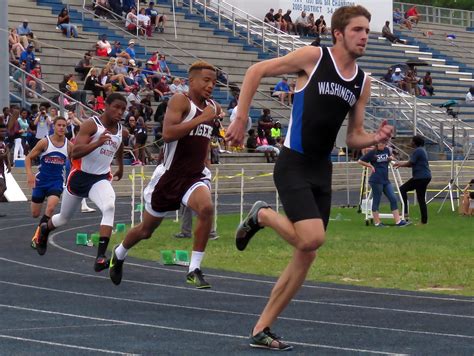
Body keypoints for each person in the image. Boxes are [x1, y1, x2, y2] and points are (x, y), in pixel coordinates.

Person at [225, 5, 393, 351]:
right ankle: (263, 215)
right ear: (339, 33)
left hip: (322, 169)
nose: (365, 36)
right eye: (358, 30)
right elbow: (257, 70)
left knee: (307, 252)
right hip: (293, 163)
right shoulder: (313, 57)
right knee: (312, 238)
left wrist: (375, 138)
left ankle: (262, 328)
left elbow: (353, 136)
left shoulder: (363, 82)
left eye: (367, 30)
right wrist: (241, 117)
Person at [108, 60, 222, 289]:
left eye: (214, 82)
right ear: (191, 81)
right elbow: (168, 134)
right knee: (146, 230)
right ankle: (119, 253)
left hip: (195, 176)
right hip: (170, 176)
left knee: (207, 208)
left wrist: (206, 155)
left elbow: (203, 137)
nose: (211, 86)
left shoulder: (213, 106)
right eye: (206, 80)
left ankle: (194, 268)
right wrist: (202, 117)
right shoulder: (181, 100)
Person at [36, 93, 128, 273]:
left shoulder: (121, 130)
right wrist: (97, 143)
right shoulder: (92, 125)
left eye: (123, 109)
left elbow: (120, 145)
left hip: (100, 178)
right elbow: (75, 153)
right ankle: (45, 229)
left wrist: (121, 166)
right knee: (63, 218)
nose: (120, 112)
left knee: (109, 207)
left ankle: (101, 257)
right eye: (116, 107)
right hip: (79, 177)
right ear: (106, 106)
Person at [26, 117, 71, 249]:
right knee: (35, 214)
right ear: (54, 127)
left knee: (50, 209)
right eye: (59, 125)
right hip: (41, 181)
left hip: (56, 182)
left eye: (64, 125)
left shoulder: (69, 146)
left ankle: (39, 237)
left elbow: (75, 163)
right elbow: (28, 158)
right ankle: (40, 233)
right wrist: (30, 174)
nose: (61, 128)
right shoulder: (45, 142)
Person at [358, 143, 407, 227]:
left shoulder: (387, 150)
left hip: (385, 179)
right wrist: (370, 166)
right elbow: (360, 161)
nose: (382, 145)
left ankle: (398, 221)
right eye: (380, 143)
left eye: (384, 143)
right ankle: (377, 222)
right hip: (376, 180)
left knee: (393, 198)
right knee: (376, 200)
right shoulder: (372, 152)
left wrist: (390, 158)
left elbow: (389, 158)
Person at [394, 135, 431, 225]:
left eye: (412, 141)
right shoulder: (422, 150)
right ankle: (424, 221)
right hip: (425, 176)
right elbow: (411, 164)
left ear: (415, 142)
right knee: (421, 199)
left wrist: (400, 164)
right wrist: (400, 164)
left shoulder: (418, 151)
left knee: (402, 189)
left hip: (420, 177)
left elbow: (410, 163)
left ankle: (405, 211)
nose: (410, 142)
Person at [0, 131, 12, 205]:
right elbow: (3, 155)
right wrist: (6, 152)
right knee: (3, 186)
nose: (3, 132)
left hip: (1, 168)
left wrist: (8, 164)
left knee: (4, 187)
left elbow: (5, 156)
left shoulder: (3, 143)